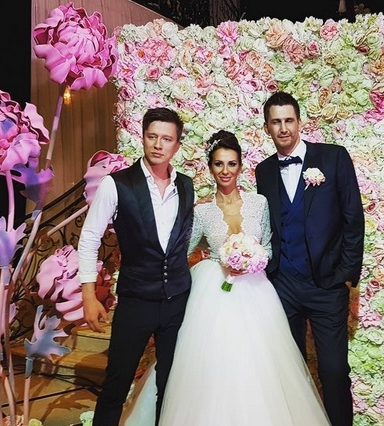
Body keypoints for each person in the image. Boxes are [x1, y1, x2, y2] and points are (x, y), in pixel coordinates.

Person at [121, 130, 331, 425]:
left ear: (240, 166)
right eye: (219, 164)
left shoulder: (259, 203)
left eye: (231, 164)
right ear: (210, 168)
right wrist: (213, 261)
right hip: (214, 295)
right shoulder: (202, 212)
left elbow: (269, 247)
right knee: (212, 360)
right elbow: (182, 253)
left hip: (256, 293)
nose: (225, 170)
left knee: (259, 364)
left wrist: (253, 259)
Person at [77, 107, 195, 426]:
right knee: (117, 383)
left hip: (177, 300)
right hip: (136, 301)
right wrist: (89, 295)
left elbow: (182, 239)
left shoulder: (186, 185)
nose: (158, 144)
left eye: (166, 139)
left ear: (176, 145)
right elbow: (89, 237)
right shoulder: (116, 184)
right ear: (143, 138)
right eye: (152, 136)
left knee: (170, 386)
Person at [255, 91, 365, 426]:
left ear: (300, 122)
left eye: (289, 120)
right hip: (283, 286)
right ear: (266, 127)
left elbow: (353, 217)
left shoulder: (333, 158)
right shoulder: (263, 171)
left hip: (326, 285)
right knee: (289, 373)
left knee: (333, 371)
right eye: (276, 122)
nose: (283, 128)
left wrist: (347, 273)